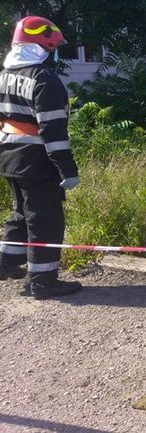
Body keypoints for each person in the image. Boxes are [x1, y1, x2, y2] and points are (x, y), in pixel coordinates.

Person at [0, 16, 81, 299]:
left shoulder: (5, 75)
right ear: (42, 46)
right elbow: (52, 130)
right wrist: (67, 169)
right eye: (53, 47)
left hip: (9, 157)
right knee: (45, 221)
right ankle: (44, 282)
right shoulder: (43, 79)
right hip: (37, 160)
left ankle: (6, 264)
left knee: (21, 213)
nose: (54, 53)